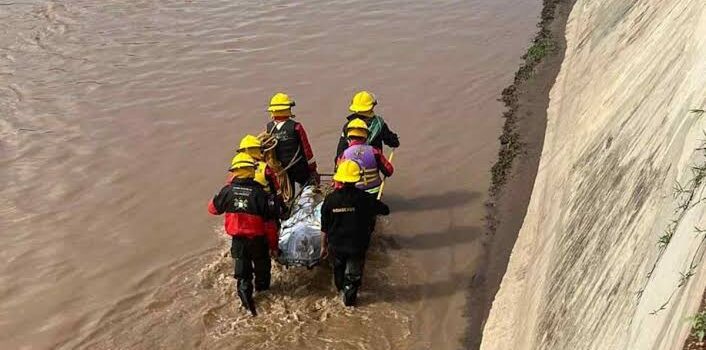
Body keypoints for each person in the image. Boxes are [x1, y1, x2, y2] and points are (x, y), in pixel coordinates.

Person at [208, 153, 278, 316]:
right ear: (251, 171)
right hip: (259, 242)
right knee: (263, 272)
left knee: (243, 276)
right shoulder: (261, 194)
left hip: (238, 242)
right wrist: (274, 246)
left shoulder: (227, 191)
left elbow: (212, 209)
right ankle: (264, 295)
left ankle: (248, 308)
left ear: (235, 172)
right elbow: (270, 225)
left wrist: (219, 196)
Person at [320, 160, 390, 306]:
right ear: (356, 179)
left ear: (340, 178)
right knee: (353, 276)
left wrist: (323, 247)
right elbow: (385, 210)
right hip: (357, 246)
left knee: (338, 270)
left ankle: (339, 290)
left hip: (336, 246)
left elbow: (324, 227)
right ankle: (349, 301)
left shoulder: (330, 200)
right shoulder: (365, 198)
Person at [265, 92, 320, 187]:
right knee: (308, 186)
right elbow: (307, 150)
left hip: (281, 170)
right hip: (299, 167)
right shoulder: (296, 127)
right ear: (288, 109)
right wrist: (313, 169)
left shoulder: (269, 128)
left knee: (287, 193)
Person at [335, 91, 400, 160]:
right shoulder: (379, 124)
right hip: (372, 165)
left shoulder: (348, 126)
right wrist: (395, 140)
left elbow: (340, 151)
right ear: (371, 107)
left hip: (350, 166)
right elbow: (392, 142)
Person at [336, 118, 394, 194]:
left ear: (348, 138)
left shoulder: (343, 155)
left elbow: (338, 179)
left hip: (354, 193)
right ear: (365, 137)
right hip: (374, 192)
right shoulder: (375, 151)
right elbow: (389, 171)